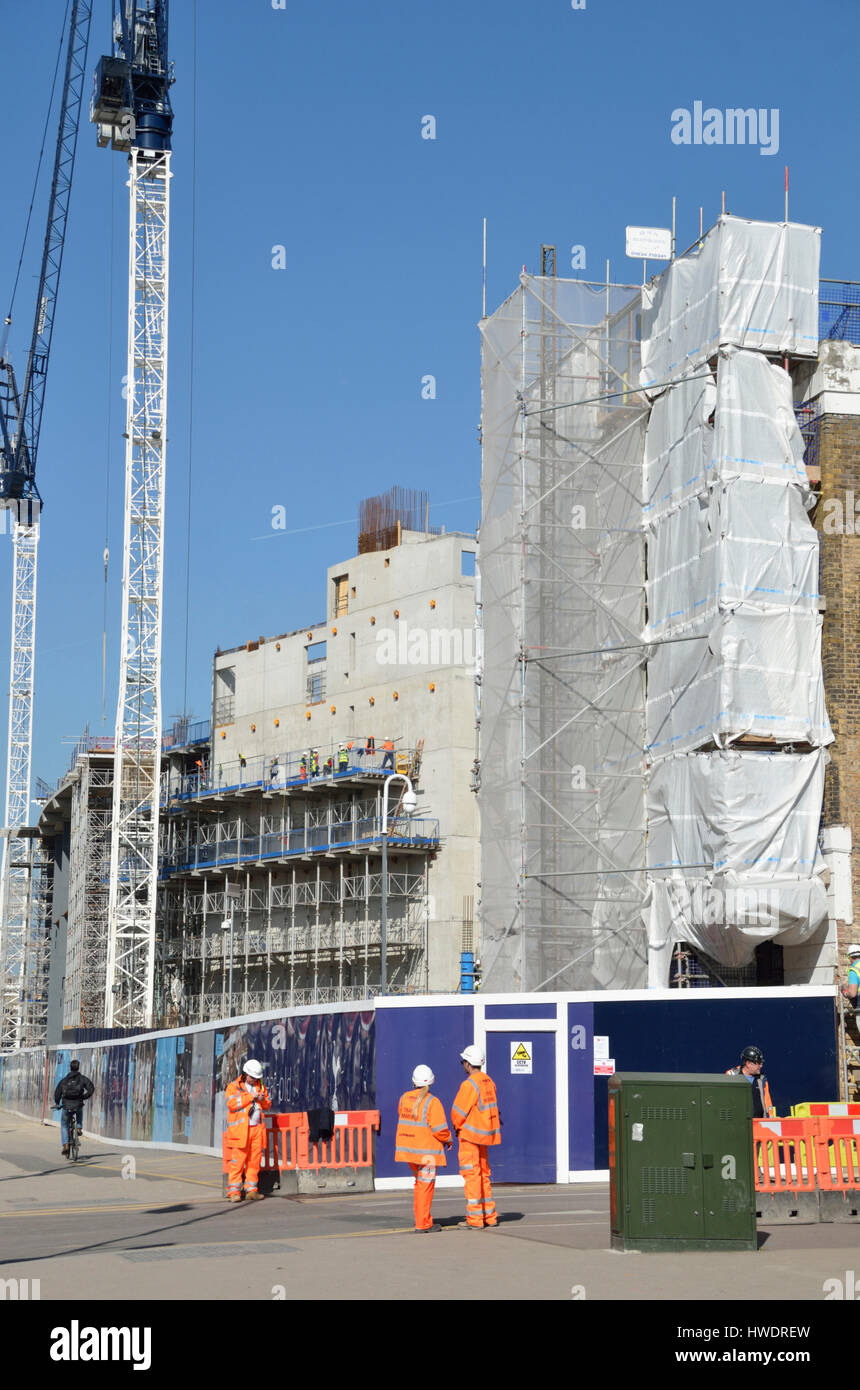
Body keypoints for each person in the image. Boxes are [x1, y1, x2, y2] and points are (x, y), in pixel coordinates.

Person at [394, 1064, 452, 1234]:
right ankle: (423, 1223)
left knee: (420, 1185)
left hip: (409, 1152)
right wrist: (448, 1139)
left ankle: (422, 1220)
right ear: (431, 1082)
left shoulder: (404, 1098)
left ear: (413, 1082)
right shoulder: (432, 1102)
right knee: (425, 1187)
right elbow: (439, 1129)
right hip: (427, 1155)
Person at [451, 1044, 501, 1228]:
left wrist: (457, 1129)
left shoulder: (469, 1084)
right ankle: (490, 1216)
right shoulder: (489, 1081)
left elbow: (457, 1112)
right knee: (483, 1175)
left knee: (472, 1175)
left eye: (463, 1061)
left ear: (468, 1064)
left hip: (470, 1136)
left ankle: (475, 1220)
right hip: (484, 1137)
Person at [224, 1059, 272, 1202]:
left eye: (256, 1078)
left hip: (257, 1129)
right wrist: (251, 1096)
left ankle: (251, 1190)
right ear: (245, 1074)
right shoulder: (233, 1087)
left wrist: (262, 1099)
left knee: (254, 1161)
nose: (254, 1080)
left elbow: (267, 1105)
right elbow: (232, 1104)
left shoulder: (260, 1087)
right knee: (238, 1162)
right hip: (240, 1132)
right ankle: (234, 1192)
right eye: (252, 1077)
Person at [53, 1059, 94, 1157]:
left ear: (70, 1068)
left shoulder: (64, 1080)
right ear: (78, 1067)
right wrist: (84, 1097)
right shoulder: (83, 1079)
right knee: (79, 1111)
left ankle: (66, 1145)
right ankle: (79, 1128)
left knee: (64, 1125)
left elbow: (57, 1092)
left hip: (66, 1105)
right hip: (78, 1103)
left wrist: (57, 1102)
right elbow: (91, 1089)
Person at [725, 1045, 775, 1118]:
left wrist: (770, 1119)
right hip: (738, 1124)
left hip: (759, 1124)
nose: (761, 1066)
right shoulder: (731, 1076)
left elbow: (767, 1103)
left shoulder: (762, 1080)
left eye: (761, 1063)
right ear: (748, 1063)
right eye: (758, 1063)